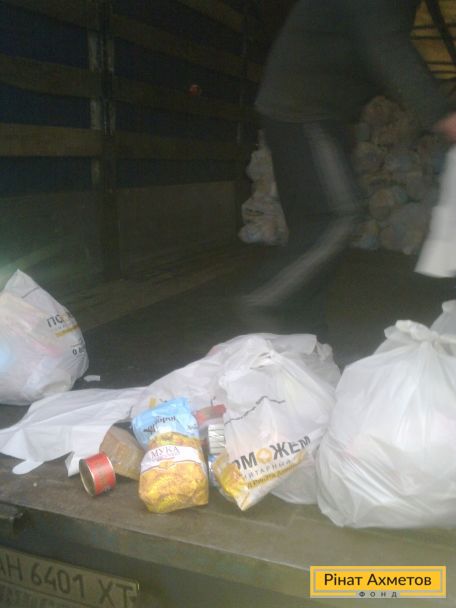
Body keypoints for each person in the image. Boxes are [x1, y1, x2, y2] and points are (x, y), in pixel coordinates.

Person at [240, 0, 456, 342]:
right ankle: (267, 296)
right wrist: (442, 116)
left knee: (312, 231)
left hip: (311, 110)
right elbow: (388, 49)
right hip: (304, 108)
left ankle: (308, 343)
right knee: (337, 215)